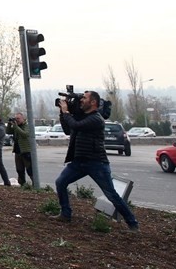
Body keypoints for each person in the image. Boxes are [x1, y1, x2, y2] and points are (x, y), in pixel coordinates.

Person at [54, 91, 139, 230]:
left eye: (84, 98)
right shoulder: (81, 117)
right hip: (79, 161)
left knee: (111, 195)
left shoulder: (96, 119)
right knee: (60, 182)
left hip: (96, 162)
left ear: (93, 102)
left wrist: (66, 112)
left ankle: (132, 223)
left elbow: (76, 126)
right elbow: (68, 130)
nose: (81, 100)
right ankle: (65, 214)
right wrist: (63, 113)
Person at [6, 111, 33, 186]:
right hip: (18, 151)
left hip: (26, 151)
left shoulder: (27, 126)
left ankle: (35, 184)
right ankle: (22, 184)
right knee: (19, 170)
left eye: (18, 118)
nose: (17, 120)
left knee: (30, 170)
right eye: (15, 118)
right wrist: (9, 124)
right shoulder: (16, 126)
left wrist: (16, 127)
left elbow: (25, 134)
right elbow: (8, 131)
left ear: (23, 119)